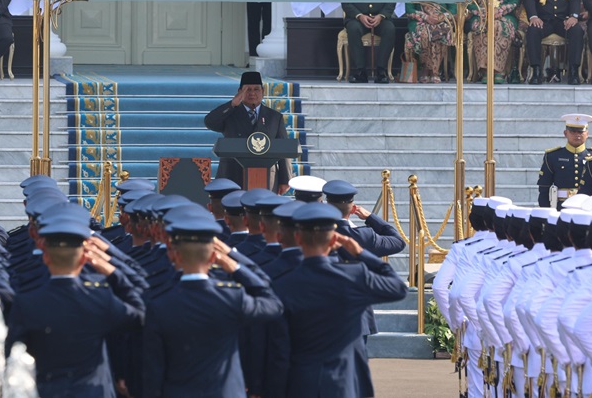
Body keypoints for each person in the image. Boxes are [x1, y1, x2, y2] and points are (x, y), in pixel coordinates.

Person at [272, 202, 408, 398]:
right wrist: (361, 253)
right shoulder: (354, 276)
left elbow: (277, 343)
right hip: (343, 382)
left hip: (300, 382)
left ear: (298, 238)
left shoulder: (282, 284)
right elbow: (398, 287)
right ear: (333, 240)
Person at [142, 212, 284, 398]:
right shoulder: (231, 297)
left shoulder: (159, 305)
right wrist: (234, 263)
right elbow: (272, 302)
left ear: (174, 255)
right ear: (212, 258)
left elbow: (152, 368)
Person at [7, 216, 146, 397]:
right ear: (82, 260)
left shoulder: (26, 302)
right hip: (93, 391)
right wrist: (113, 271)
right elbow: (139, 310)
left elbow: (11, 351)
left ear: (45, 257)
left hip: (47, 391)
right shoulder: (99, 298)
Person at [204, 71, 291, 193]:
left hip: (266, 177)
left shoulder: (274, 117)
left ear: (263, 91)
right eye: (248, 90)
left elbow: (284, 148)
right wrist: (232, 104)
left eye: (256, 89)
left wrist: (285, 179)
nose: (252, 93)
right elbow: (210, 122)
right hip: (232, 175)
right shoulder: (230, 113)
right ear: (239, 91)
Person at [467, 0, 520, 83]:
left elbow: (514, 1)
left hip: (504, 16)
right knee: (483, 26)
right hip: (481, 16)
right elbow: (468, 2)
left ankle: (498, 70)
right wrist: (485, 13)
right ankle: (484, 70)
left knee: (499, 26)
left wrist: (500, 11)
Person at [536, 114, 592, 208]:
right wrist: (547, 211)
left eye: (580, 132)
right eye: (573, 131)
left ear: (587, 134)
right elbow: (544, 188)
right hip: (561, 206)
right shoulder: (553, 156)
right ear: (565, 133)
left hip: (587, 207)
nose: (577, 135)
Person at [341, 1, 395, 83]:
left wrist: (381, 16)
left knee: (389, 29)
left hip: (381, 19)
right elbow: (346, 2)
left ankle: (381, 71)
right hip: (356, 19)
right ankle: (361, 71)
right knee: (353, 29)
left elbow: (391, 0)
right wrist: (359, 15)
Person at [404, 0, 455, 83]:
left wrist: (440, 17)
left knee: (440, 32)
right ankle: (426, 69)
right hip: (420, 21)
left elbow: (454, 8)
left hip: (441, 21)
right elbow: (409, 9)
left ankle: (434, 70)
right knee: (424, 34)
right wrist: (425, 17)